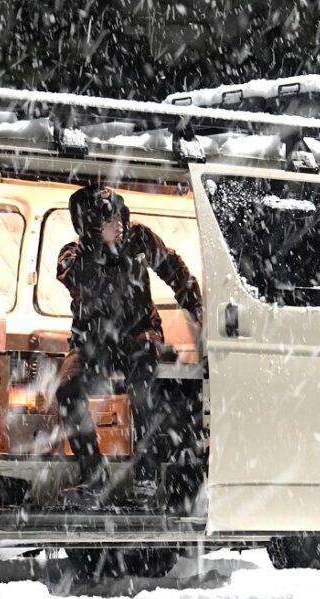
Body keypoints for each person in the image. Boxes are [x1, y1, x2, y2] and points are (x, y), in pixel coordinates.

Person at [54, 184, 203, 507]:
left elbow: (173, 268)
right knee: (67, 391)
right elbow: (80, 280)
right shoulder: (73, 256)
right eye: (107, 218)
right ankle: (94, 478)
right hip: (92, 343)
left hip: (139, 333)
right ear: (89, 226)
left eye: (119, 213)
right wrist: (103, 249)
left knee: (144, 379)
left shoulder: (140, 239)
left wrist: (198, 307)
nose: (118, 223)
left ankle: (146, 476)